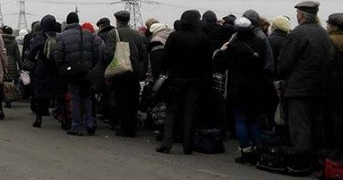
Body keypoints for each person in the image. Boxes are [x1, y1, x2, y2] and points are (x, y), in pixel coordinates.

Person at [277, 1, 335, 171]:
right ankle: (316, 160)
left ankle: (300, 161)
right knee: (316, 125)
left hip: (299, 88)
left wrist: (280, 75)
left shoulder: (298, 33)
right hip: (320, 87)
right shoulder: (323, 34)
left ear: (301, 15)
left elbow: (285, 62)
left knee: (299, 125)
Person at [213, 17, 268, 164]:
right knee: (254, 120)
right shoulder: (261, 43)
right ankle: (259, 148)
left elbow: (220, 65)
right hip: (257, 87)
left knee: (240, 120)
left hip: (238, 87)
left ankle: (246, 150)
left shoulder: (234, 46)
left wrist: (221, 51)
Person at [157, 10, 213, 154]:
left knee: (172, 111)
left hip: (175, 79)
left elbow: (165, 58)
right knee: (189, 113)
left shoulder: (174, 37)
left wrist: (164, 71)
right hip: (195, 80)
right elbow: (208, 62)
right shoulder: (203, 38)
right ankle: (188, 146)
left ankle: (166, 144)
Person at [54, 12, 104, 136]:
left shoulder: (61, 36)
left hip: (72, 72)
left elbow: (58, 56)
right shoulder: (89, 35)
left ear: (67, 22)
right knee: (87, 97)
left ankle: (76, 126)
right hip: (87, 71)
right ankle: (90, 124)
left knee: (75, 98)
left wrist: (62, 69)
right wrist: (92, 67)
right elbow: (96, 54)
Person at [110, 10, 149, 138]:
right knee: (133, 101)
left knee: (121, 101)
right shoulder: (137, 34)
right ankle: (132, 128)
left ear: (117, 20)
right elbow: (143, 54)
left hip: (120, 71)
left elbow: (109, 52)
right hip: (134, 72)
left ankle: (124, 127)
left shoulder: (114, 33)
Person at [25, 14, 59, 128]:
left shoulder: (39, 38)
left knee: (39, 92)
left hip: (41, 68)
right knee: (57, 92)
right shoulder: (58, 37)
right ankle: (63, 118)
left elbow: (31, 55)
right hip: (55, 68)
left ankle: (38, 118)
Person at [325, 13, 343, 150]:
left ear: (334, 27)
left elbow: (326, 62)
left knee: (334, 116)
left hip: (334, 83)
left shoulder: (331, 41)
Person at [2, 26, 22, 108]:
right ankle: (10, 99)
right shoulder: (14, 42)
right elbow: (17, 55)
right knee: (10, 82)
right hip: (12, 63)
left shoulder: (0, 41)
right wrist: (21, 66)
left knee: (3, 82)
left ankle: (5, 98)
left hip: (3, 63)